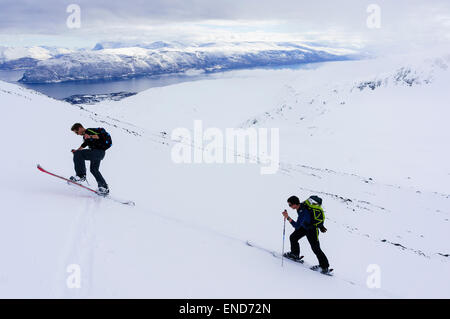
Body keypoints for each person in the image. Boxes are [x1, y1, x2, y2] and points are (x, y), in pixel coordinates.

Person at [282, 195, 330, 273]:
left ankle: (324, 267)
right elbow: (309, 218)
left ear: (295, 204)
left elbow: (297, 226)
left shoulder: (303, 211)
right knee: (293, 237)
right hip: (305, 226)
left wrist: (287, 217)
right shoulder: (301, 206)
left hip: (312, 230)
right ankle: (294, 254)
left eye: (290, 205)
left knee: (316, 248)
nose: (289, 206)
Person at [70, 123, 110, 195]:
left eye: (76, 132)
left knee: (79, 154)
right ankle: (104, 188)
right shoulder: (85, 136)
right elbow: (84, 145)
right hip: (98, 153)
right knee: (94, 169)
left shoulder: (89, 130)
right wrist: (77, 151)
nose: (77, 134)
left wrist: (90, 136)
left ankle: (80, 175)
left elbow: (102, 136)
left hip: (98, 152)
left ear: (80, 128)